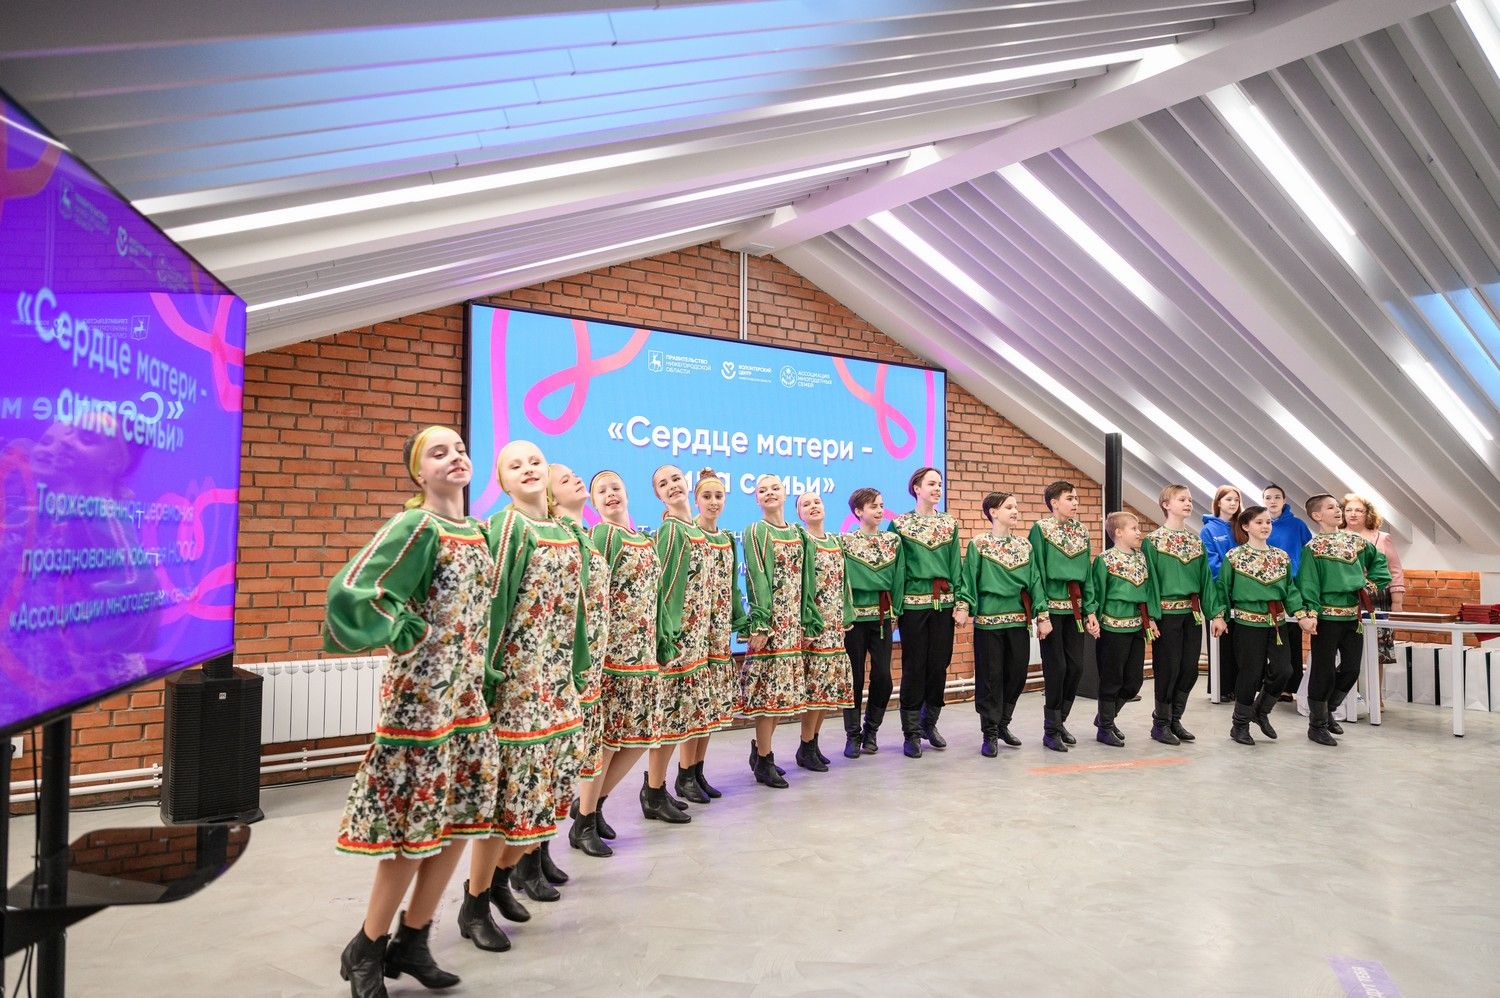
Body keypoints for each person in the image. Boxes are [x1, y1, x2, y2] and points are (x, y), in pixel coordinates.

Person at [325, 426, 497, 995]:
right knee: (413, 827)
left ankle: (414, 939)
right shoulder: (416, 525)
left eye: (460, 449)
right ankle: (367, 945)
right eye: (438, 452)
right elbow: (353, 590)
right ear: (418, 472)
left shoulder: (475, 530)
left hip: (466, 698)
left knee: (461, 819)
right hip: (420, 701)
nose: (455, 457)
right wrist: (406, 631)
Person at [460, 439, 589, 952]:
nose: (528, 469)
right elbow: (493, 603)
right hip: (517, 682)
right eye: (515, 465)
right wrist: (486, 677)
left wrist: (575, 667)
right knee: (510, 798)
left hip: (556, 681)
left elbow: (576, 608)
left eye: (535, 461)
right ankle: (474, 903)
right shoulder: (508, 527)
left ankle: (498, 881)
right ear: (503, 481)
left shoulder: (564, 530)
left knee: (543, 794)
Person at [571, 471, 684, 862]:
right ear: (593, 502)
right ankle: (585, 821)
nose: (610, 494)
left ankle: (592, 805)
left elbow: (657, 598)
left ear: (627, 492)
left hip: (644, 657)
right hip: (613, 658)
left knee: (636, 738)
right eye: (601, 491)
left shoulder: (645, 540)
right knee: (607, 741)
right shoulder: (604, 536)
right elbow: (593, 595)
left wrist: (663, 644)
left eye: (615, 487)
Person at [741, 474, 823, 788]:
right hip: (771, 626)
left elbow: (807, 581)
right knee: (767, 696)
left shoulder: (799, 534)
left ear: (785, 493)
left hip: (792, 626)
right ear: (756, 499)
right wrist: (761, 622)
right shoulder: (757, 530)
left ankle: (760, 752)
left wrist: (807, 619)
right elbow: (757, 577)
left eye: (775, 488)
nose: (769, 493)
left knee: (781, 696)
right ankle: (764, 759)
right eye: (762, 490)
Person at [546, 464, 603, 884]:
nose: (576, 480)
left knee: (580, 755)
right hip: (566, 666)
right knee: (556, 760)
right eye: (564, 480)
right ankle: (530, 855)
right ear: (551, 499)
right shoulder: (557, 535)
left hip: (592, 664)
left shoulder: (585, 535)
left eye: (573, 475)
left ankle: (541, 849)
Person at [888, 467, 971, 758]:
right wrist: (895, 609)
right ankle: (910, 733)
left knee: (939, 665)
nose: (937, 488)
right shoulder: (899, 525)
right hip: (913, 606)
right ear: (916, 488)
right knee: (914, 667)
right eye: (931, 484)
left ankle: (929, 723)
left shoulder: (949, 523)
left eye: (940, 484)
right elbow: (896, 570)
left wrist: (961, 603)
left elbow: (956, 565)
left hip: (943, 605)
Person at [1217, 505, 1315, 746]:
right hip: (1247, 623)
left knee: (1285, 670)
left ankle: (1260, 711)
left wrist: (1301, 615)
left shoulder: (1281, 556)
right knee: (1250, 673)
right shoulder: (1234, 556)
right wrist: (1219, 616)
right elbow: (1223, 588)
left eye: (1268, 522)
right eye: (1259, 522)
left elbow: (1290, 590)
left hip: (1277, 623)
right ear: (1245, 526)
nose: (1265, 526)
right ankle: (1239, 725)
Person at [1298, 494, 1391, 746]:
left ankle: (1327, 710)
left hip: (1353, 617)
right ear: (1317, 515)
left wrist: (1369, 586)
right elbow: (1308, 583)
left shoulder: (1356, 542)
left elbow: (1380, 564)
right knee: (1323, 671)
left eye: (1337, 506)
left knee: (1351, 669)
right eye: (1331, 507)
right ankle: (1316, 725)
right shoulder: (1312, 549)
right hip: (1325, 618)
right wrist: (1310, 613)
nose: (1338, 510)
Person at [963, 492, 1049, 756]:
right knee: (990, 678)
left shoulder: (1025, 546)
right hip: (988, 622)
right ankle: (989, 732)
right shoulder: (978, 544)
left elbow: (1035, 581)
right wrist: (964, 607)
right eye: (1009, 507)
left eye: (1016, 507)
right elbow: (969, 579)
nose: (1015, 511)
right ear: (993, 512)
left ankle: (1003, 724)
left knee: (1017, 675)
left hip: (1018, 621)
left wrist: (1043, 615)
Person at [654, 465, 720, 803]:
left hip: (698, 638)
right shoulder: (671, 531)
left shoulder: (693, 529)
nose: (672, 486)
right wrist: (667, 639)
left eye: (676, 479)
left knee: (690, 712)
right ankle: (654, 790)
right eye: (663, 484)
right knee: (670, 716)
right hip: (678, 641)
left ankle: (689, 775)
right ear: (658, 495)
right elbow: (664, 589)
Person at [1143, 485, 1225, 745]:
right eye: (1182, 499)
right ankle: (1160, 724)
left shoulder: (1195, 541)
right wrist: (1151, 617)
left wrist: (1216, 614)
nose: (1188, 503)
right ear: (1166, 504)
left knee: (1189, 670)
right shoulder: (1152, 541)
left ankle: (1175, 719)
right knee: (1168, 669)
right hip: (1165, 615)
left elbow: (1206, 582)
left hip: (1192, 615)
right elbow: (1150, 582)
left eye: (1189, 499)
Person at [693, 469, 749, 795]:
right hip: (695, 631)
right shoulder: (690, 534)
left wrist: (740, 621)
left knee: (711, 706)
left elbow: (731, 587)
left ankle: (697, 771)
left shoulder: (727, 538)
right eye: (707, 496)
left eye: (718, 496)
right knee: (695, 706)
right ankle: (684, 774)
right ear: (696, 500)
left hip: (718, 632)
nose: (713, 502)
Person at [1029, 480, 1094, 753]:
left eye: (1076, 498)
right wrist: (1041, 612)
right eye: (1070, 498)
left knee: (1076, 667)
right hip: (1052, 609)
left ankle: (1060, 721)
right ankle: (1051, 730)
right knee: (1057, 669)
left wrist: (1090, 609)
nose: (1075, 502)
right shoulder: (1040, 529)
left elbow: (1087, 573)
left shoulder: (1082, 530)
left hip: (1075, 609)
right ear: (1054, 502)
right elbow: (1036, 572)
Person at [839, 488, 903, 756]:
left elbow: (899, 576)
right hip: (854, 620)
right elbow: (841, 581)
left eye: (881, 505)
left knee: (883, 677)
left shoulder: (892, 541)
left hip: (882, 618)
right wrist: (844, 615)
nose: (879, 511)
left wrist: (895, 611)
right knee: (853, 677)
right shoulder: (845, 541)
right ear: (858, 511)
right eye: (873, 506)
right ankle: (852, 735)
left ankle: (871, 730)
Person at [1085, 512, 1158, 747]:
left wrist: (1150, 619)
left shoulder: (1142, 558)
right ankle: (1105, 727)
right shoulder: (1105, 559)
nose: (1139, 532)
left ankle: (1104, 718)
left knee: (1133, 682)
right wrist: (1093, 618)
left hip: (1136, 627)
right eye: (1133, 528)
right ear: (1118, 532)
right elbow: (1097, 591)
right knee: (1111, 679)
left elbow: (1149, 591)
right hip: (1112, 628)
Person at [795, 490, 855, 770]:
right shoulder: (802, 541)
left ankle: (813, 744)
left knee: (826, 690)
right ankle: (806, 744)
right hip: (815, 625)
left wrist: (846, 615)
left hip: (835, 625)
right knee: (815, 689)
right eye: (805, 504)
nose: (813, 506)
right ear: (799, 514)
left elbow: (843, 582)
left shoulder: (834, 541)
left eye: (816, 502)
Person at [1342, 493, 1405, 666]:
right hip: (1346, 597)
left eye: (1358, 510)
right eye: (1348, 510)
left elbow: (1395, 570)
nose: (1353, 514)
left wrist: (1397, 602)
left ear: (1368, 514)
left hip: (1377, 598)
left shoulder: (1382, 538)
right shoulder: (1336, 537)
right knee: (1349, 650)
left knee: (1378, 652)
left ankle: (1377, 685)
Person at [1264, 483, 1313, 700]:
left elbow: (1309, 552)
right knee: (1271, 637)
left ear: (1284, 501)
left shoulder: (1297, 525)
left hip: (1293, 587)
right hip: (1268, 587)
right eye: (1268, 497)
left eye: (1277, 497)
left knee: (1293, 637)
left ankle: (1290, 687)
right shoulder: (1261, 524)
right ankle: (1270, 684)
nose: (1272, 501)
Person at [1202, 486, 1242, 700]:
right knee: (1221, 642)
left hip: (1242, 593)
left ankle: (1239, 687)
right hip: (1219, 592)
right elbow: (1212, 563)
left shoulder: (1242, 527)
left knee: (1239, 643)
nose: (1233, 503)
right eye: (1228, 499)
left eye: (1236, 499)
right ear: (1218, 502)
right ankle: (1221, 688)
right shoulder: (1208, 530)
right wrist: (1232, 580)